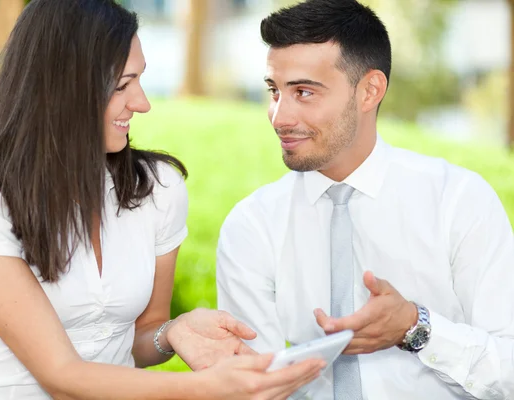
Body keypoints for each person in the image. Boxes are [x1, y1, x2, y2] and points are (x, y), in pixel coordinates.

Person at [0, 0, 325, 399]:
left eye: (140, 80)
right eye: (122, 85)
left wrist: (171, 333)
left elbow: (140, 338)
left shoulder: (159, 189)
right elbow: (60, 373)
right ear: (64, 89)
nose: (141, 103)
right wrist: (204, 389)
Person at [216, 0, 514, 399]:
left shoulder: (458, 200)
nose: (280, 117)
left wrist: (416, 328)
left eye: (304, 92)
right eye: (275, 91)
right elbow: (253, 385)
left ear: (370, 90)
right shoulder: (252, 225)